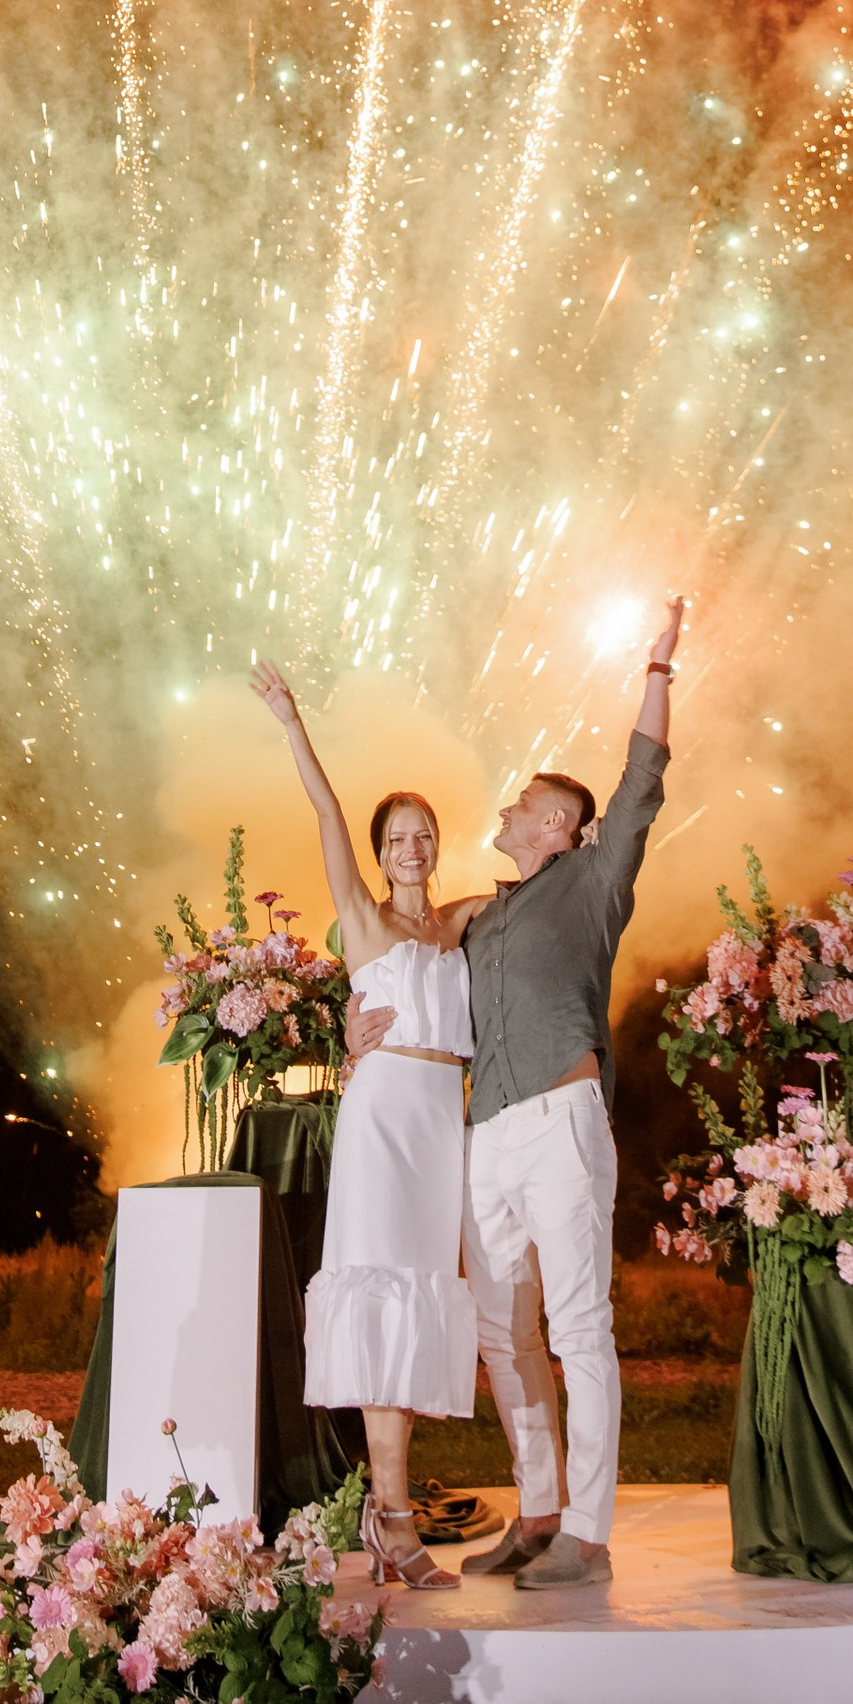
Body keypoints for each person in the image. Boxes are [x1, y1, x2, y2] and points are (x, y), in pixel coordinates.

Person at [349, 595, 684, 1590]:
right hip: (481, 1135)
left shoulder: (591, 881)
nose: (495, 815)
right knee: (501, 1332)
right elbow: (395, 940)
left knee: (578, 1324)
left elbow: (640, 784)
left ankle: (588, 1529)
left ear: (556, 823)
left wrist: (657, 669)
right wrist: (351, 1018)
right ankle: (536, 1510)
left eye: (514, 806)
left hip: (560, 1117)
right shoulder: (483, 913)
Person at [248, 657, 481, 1590]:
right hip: (385, 1120)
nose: (411, 848)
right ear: (382, 851)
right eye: (398, 837)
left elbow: (539, 893)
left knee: (420, 1303)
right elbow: (326, 814)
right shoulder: (369, 922)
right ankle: (391, 1519)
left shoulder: (460, 925)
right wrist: (292, 723)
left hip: (443, 1126)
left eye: (424, 835)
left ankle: (389, 1515)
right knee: (385, 1298)